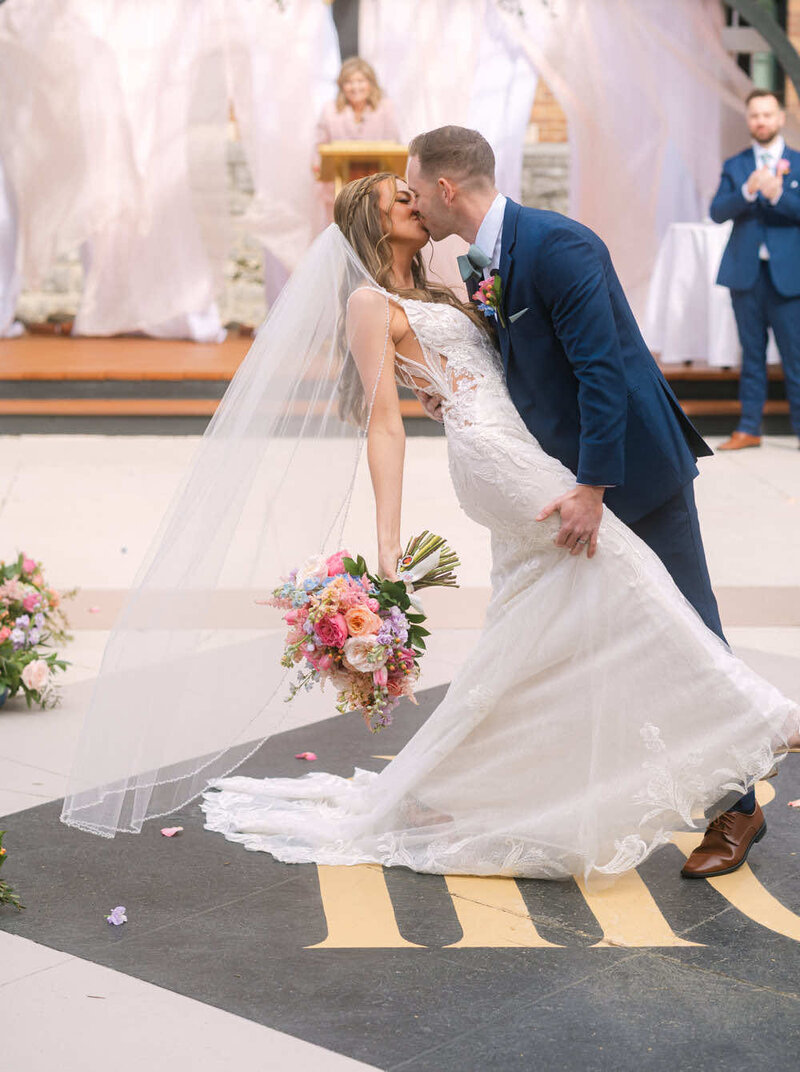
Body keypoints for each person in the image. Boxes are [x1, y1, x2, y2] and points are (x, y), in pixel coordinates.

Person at [199, 169, 798, 884]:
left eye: (415, 191)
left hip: (535, 446)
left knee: (532, 631)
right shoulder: (368, 300)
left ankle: (450, 786)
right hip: (499, 462)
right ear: (374, 220)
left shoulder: (447, 285)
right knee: (629, 577)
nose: (414, 203)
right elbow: (381, 423)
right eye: (401, 198)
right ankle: (774, 722)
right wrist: (388, 542)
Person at [710, 88, 800, 451]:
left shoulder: (798, 162)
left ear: (780, 118)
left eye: (767, 114)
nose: (761, 121)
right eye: (754, 115)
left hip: (789, 275)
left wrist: (778, 195)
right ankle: (749, 428)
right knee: (751, 354)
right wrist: (747, 192)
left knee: (796, 356)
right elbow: (718, 212)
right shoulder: (736, 165)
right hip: (745, 274)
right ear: (748, 121)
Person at [314, 58, 401, 223]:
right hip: (339, 188)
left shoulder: (386, 108)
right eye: (349, 82)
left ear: (371, 83)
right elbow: (319, 147)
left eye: (360, 81)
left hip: (376, 187)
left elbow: (394, 144)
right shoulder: (329, 110)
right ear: (341, 86)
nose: (355, 87)